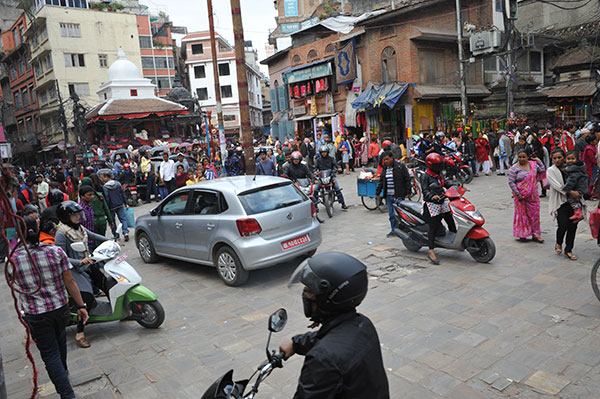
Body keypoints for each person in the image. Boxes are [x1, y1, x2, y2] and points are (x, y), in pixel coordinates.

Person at [280, 252, 390, 399]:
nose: (305, 295)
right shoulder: (363, 324)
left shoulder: (322, 360)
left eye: (309, 291)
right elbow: (330, 341)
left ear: (327, 298)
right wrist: (296, 343)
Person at [10, 215, 89, 399]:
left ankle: (66, 392)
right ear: (38, 231)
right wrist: (81, 305)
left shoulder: (13, 259)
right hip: (60, 309)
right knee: (60, 344)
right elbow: (70, 281)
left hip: (36, 314)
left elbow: (14, 284)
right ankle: (64, 377)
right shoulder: (55, 252)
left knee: (50, 354)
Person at [54, 202, 108, 348]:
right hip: (73, 270)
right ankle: (80, 332)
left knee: (107, 283)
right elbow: (61, 257)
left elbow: (92, 235)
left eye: (79, 214)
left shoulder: (79, 228)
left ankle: (122, 312)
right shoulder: (62, 233)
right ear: (66, 217)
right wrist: (79, 261)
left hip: (87, 264)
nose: (78, 217)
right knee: (86, 299)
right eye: (74, 215)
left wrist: (109, 240)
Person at [420, 153, 457, 264]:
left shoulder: (438, 174)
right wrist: (432, 196)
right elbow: (425, 190)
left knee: (450, 219)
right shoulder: (425, 176)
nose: (440, 166)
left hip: (442, 200)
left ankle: (454, 241)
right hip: (431, 204)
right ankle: (431, 250)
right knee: (433, 226)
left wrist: (454, 186)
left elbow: (445, 182)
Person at [547, 148, 583, 261]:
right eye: (554, 158)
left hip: (574, 203)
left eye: (559, 157)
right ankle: (559, 242)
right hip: (560, 202)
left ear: (564, 157)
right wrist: (572, 192)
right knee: (563, 225)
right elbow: (557, 186)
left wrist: (580, 191)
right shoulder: (551, 170)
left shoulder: (571, 168)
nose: (557, 160)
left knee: (573, 226)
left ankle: (568, 250)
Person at [508, 148, 545, 243]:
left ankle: (535, 234)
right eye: (520, 157)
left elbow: (542, 170)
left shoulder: (533, 165)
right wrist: (518, 193)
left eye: (524, 157)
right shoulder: (514, 168)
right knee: (522, 215)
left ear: (528, 157)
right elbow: (511, 182)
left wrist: (538, 160)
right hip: (520, 196)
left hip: (533, 195)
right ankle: (522, 234)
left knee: (534, 214)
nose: (522, 159)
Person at [375, 151, 411, 237]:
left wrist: (408, 191)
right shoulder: (385, 168)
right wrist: (378, 192)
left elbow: (407, 179)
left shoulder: (400, 166)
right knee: (391, 214)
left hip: (398, 194)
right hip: (389, 195)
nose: (386, 161)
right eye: (384, 160)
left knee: (399, 214)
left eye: (387, 159)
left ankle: (403, 229)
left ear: (392, 158)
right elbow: (381, 181)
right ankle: (393, 230)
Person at [314, 145, 348, 210]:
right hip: (321, 177)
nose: (324, 153)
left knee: (337, 188)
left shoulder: (331, 159)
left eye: (325, 152)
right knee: (315, 189)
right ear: (320, 153)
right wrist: (314, 171)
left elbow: (336, 164)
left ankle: (343, 203)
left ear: (327, 152)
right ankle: (315, 206)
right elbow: (315, 168)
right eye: (322, 152)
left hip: (330, 176)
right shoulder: (318, 160)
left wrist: (339, 167)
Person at [100, 171, 129, 242]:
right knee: (123, 219)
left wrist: (106, 207)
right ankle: (125, 232)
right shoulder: (118, 184)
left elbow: (107, 198)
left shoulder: (105, 187)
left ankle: (116, 235)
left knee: (112, 221)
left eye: (103, 177)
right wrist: (125, 203)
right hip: (119, 204)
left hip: (111, 206)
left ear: (107, 177)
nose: (102, 179)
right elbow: (122, 194)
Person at [562, 151, 589, 222]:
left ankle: (578, 212)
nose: (570, 160)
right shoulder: (577, 167)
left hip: (578, 188)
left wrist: (566, 189)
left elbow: (571, 181)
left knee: (572, 199)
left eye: (572, 158)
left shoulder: (573, 170)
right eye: (568, 159)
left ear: (577, 159)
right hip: (580, 187)